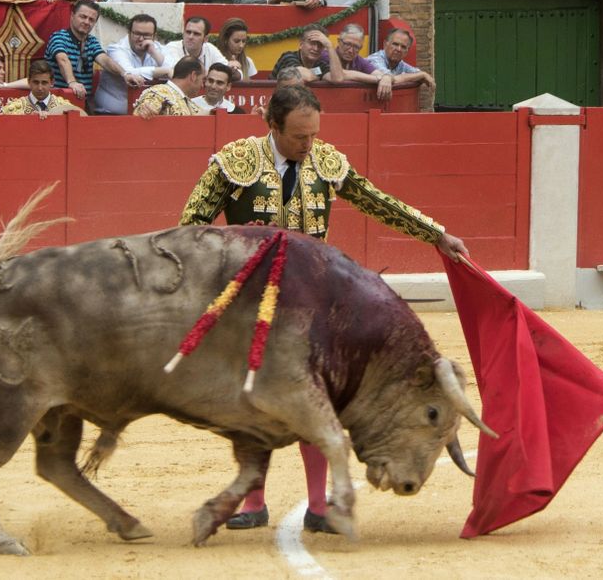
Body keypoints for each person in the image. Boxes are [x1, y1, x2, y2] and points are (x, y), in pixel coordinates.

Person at [180, 82, 469, 531]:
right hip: (252, 305)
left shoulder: (326, 162)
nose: (309, 144)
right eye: (299, 136)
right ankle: (254, 503)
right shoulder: (235, 162)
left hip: (314, 308)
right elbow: (190, 230)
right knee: (253, 406)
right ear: (272, 126)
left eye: (313, 134)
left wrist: (435, 233)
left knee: (318, 401)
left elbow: (376, 201)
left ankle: (319, 507)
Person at [45, 0, 131, 101]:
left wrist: (125, 74)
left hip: (83, 100)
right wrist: (72, 83)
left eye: (91, 19)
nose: (87, 22)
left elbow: (105, 60)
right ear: (72, 16)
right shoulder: (58, 37)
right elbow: (62, 60)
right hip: (58, 100)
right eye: (83, 17)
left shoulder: (92, 41)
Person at [93, 10, 163, 115]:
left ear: (154, 36)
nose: (141, 39)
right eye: (137, 33)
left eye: (147, 35)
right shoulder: (116, 49)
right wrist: (163, 71)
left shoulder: (156, 48)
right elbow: (129, 73)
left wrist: (154, 52)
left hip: (146, 117)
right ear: (129, 33)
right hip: (110, 116)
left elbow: (175, 71)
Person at [0, 58, 83, 116]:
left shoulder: (64, 107)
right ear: (29, 82)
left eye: (44, 83)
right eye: (36, 82)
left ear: (52, 82)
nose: (40, 88)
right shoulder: (13, 110)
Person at [364, 27, 432, 96]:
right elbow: (388, 76)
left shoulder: (400, 64)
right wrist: (422, 75)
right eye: (395, 44)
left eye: (403, 47)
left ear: (406, 52)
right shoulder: (375, 59)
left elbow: (417, 73)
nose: (399, 49)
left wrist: (422, 75)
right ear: (385, 44)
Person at [132, 55, 204, 117]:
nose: (202, 84)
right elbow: (140, 116)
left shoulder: (190, 104)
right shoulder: (158, 93)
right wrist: (145, 110)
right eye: (202, 79)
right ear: (193, 76)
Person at [215, 16, 258, 82]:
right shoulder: (215, 59)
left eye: (243, 41)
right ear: (225, 40)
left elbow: (254, 88)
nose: (241, 45)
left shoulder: (248, 62)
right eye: (236, 41)